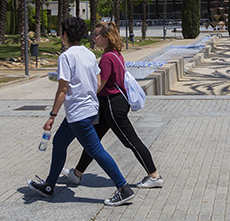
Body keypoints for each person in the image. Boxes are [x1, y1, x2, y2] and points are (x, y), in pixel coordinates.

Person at [27, 17, 134, 206]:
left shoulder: (66, 57)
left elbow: (62, 90)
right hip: (89, 108)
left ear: (65, 34)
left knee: (96, 150)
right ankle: (50, 185)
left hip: (78, 113)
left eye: (61, 32)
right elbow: (97, 79)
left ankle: (123, 188)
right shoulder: (88, 53)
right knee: (60, 142)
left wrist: (52, 116)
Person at [62, 21, 164, 189]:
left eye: (96, 36)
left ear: (106, 37)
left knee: (130, 141)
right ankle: (77, 173)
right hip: (111, 104)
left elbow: (98, 86)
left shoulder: (107, 58)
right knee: (93, 141)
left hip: (112, 106)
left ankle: (154, 175)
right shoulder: (116, 54)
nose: (94, 39)